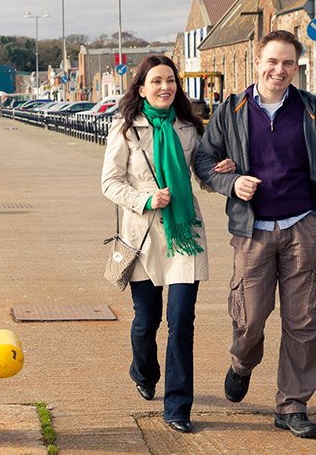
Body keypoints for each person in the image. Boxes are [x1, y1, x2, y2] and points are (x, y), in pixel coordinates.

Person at [195, 30, 316, 439]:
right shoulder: (232, 110)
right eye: (272, 61)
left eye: (288, 63)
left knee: (303, 321)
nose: (279, 70)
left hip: (303, 230)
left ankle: (292, 405)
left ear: (296, 67)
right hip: (252, 233)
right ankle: (242, 363)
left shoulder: (313, 111)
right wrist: (231, 184)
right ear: (257, 61)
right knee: (250, 318)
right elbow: (204, 161)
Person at [101, 55, 234, 434]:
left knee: (181, 321)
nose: (165, 87)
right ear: (141, 88)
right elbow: (109, 183)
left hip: (183, 236)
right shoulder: (126, 130)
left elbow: (200, 177)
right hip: (142, 237)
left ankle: (178, 406)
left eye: (170, 81)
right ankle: (143, 370)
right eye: (156, 81)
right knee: (147, 321)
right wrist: (144, 199)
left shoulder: (189, 128)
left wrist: (219, 171)